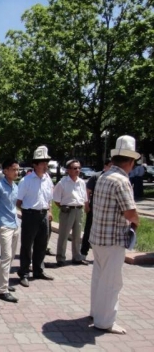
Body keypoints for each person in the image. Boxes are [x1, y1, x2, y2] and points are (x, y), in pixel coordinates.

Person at [89, 135, 140, 335]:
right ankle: (105, 321)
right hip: (113, 240)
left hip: (98, 237)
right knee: (111, 282)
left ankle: (96, 312)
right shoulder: (121, 181)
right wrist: (137, 221)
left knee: (99, 278)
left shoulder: (104, 176)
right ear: (130, 161)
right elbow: (130, 212)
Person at [16, 146, 54, 287]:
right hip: (30, 215)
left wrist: (49, 211)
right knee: (27, 246)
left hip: (44, 214)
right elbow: (18, 201)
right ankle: (24, 273)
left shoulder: (47, 179)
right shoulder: (26, 181)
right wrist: (28, 213)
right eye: (43, 163)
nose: (45, 166)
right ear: (35, 164)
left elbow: (49, 198)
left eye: (46, 163)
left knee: (42, 244)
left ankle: (38, 270)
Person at [0, 158, 20, 303]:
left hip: (14, 225)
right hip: (3, 226)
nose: (17, 172)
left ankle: (3, 282)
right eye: (14, 169)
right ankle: (3, 291)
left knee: (11, 257)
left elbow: (13, 207)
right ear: (5, 171)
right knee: (6, 257)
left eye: (18, 169)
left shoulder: (15, 186)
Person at [53, 159, 89, 266]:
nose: (77, 170)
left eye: (79, 168)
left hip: (79, 210)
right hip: (67, 211)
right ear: (68, 170)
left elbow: (84, 198)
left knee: (77, 235)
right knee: (64, 235)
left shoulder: (82, 182)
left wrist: (85, 208)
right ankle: (60, 258)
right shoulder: (62, 183)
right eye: (74, 168)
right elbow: (56, 199)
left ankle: (77, 257)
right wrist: (63, 208)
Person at [80, 159, 112, 260]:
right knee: (88, 230)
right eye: (111, 166)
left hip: (107, 212)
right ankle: (83, 252)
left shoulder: (114, 178)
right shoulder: (96, 177)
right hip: (94, 209)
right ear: (105, 166)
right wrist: (87, 205)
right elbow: (87, 192)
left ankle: (104, 255)